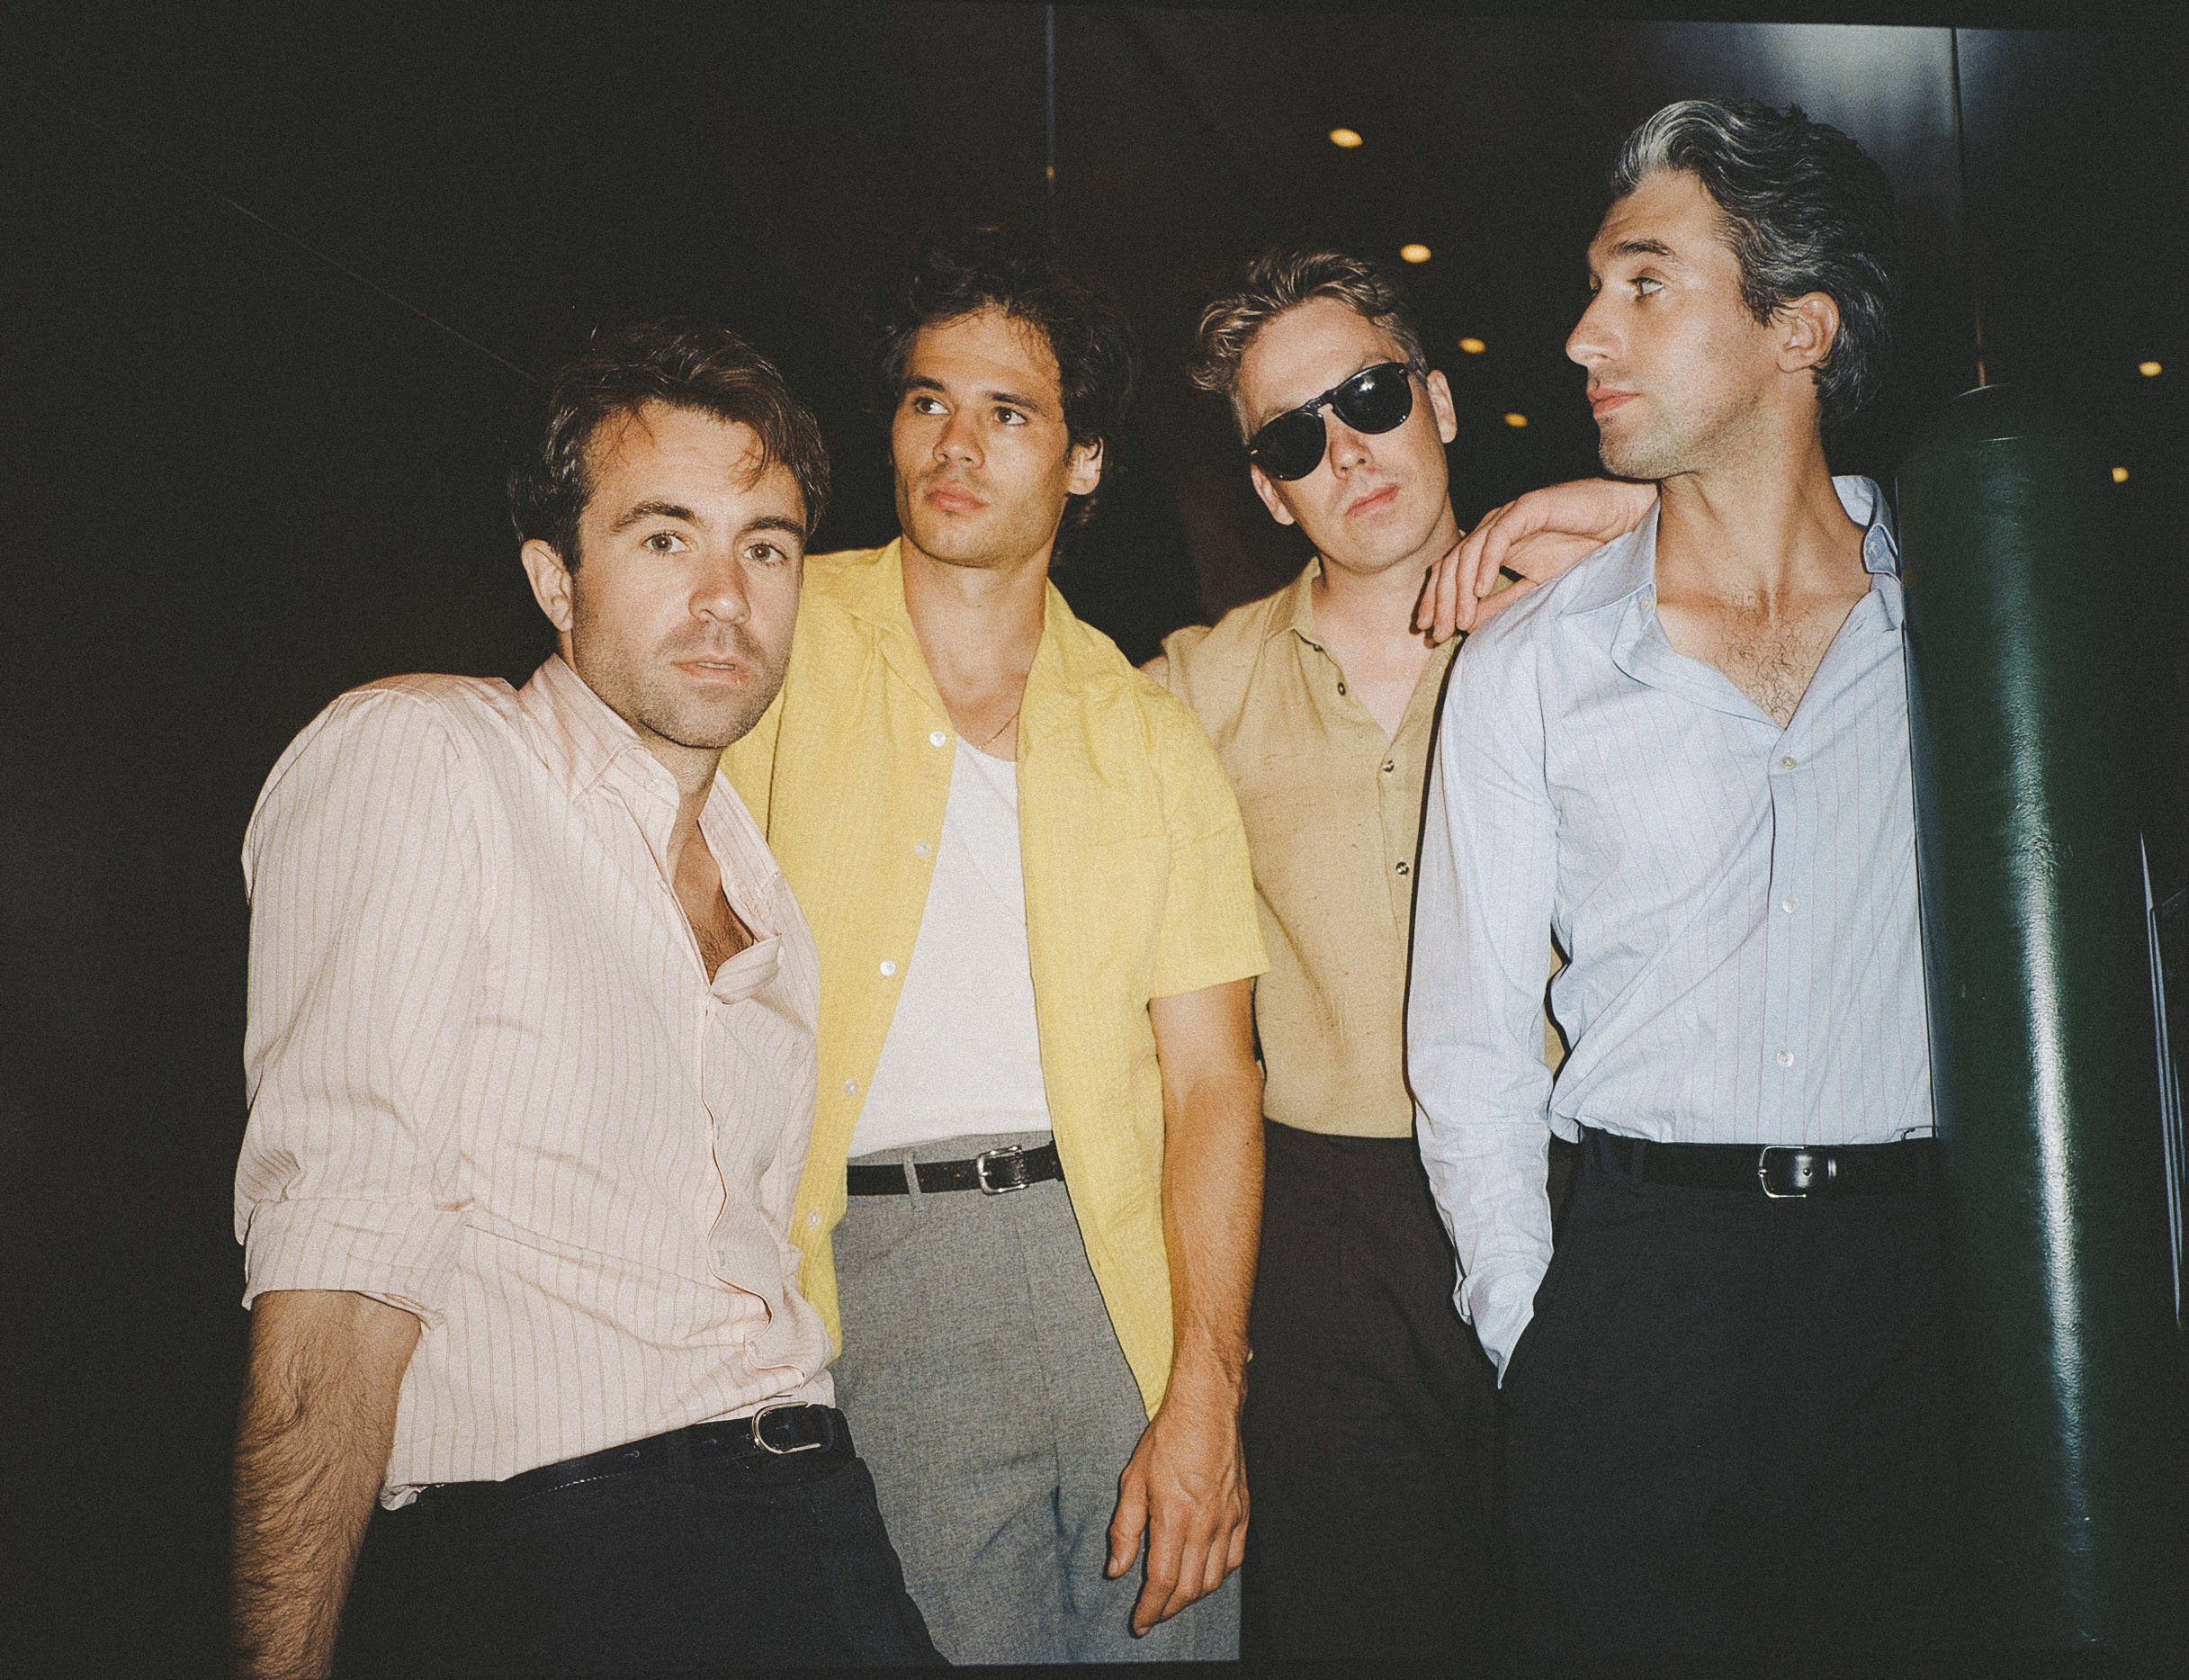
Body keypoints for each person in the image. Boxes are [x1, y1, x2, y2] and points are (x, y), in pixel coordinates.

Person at [229, 321, 940, 1677]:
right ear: (554, 579)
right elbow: (337, 1276)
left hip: (815, 1513)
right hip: (572, 1542)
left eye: (767, 547)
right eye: (665, 539)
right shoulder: (428, 757)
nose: (725, 598)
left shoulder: (760, 883)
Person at [1410, 98, 1971, 1658]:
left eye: (1645, 283)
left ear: (1798, 328)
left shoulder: (1960, 618)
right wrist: (1539, 1339)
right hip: (1637, 1296)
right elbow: (1466, 1050)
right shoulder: (1529, 664)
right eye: (1595, 286)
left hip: (1914, 1301)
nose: (1584, 333)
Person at [722, 226, 1267, 1665]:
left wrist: (1206, 1392)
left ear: (1083, 462)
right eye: (928, 401)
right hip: (878, 1274)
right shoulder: (776, 638)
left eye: (1008, 414)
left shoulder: (1149, 732)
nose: (955, 445)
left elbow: (1213, 1082)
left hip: (1121, 1276)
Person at [1145, 249, 1633, 1667]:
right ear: (1266, 490)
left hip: (1581, 1192)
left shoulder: (1603, 624)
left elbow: (1830, 587)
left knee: (1593, 1611)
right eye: (1292, 439)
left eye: (1367, 398)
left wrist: (1641, 526)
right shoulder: (1193, 689)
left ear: (1437, 400)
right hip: (1324, 1242)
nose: (1346, 452)